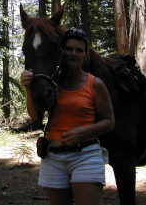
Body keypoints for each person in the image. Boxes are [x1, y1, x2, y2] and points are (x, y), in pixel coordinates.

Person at [20, 28, 115, 205]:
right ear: (61, 52)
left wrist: (84, 132)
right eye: (69, 49)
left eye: (79, 50)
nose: (73, 53)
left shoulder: (95, 84)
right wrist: (28, 89)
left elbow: (109, 122)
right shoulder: (51, 83)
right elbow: (35, 116)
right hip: (53, 157)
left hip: (86, 155)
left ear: (86, 55)